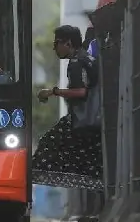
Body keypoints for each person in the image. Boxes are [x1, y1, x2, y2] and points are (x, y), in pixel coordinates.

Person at [31, 24, 104, 191]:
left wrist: (53, 92)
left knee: (48, 145)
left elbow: (80, 91)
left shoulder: (77, 63)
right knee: (90, 161)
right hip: (93, 117)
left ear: (68, 44)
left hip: (84, 119)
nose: (54, 48)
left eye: (57, 43)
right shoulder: (87, 58)